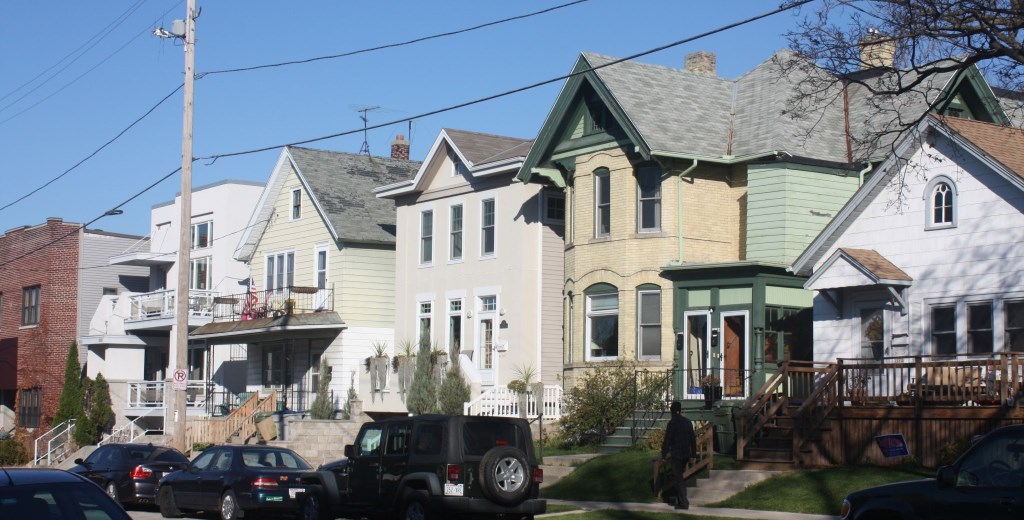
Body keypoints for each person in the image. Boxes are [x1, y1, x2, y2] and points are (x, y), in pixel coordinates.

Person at [661, 400, 697, 509]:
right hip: (686, 453)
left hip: (676, 454)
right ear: (680, 411)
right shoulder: (687, 422)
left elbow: (667, 440)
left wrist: (663, 455)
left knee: (678, 478)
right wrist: (693, 455)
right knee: (680, 476)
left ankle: (683, 502)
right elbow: (692, 439)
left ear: (671, 411)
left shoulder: (672, 423)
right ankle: (679, 498)